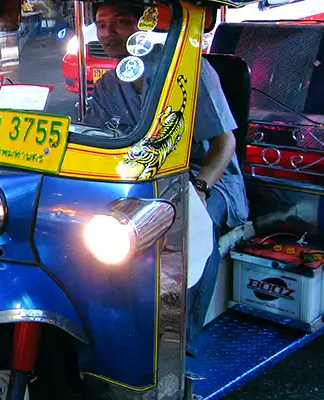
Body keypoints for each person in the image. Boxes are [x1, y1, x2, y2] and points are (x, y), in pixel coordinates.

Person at [86, 2, 249, 357]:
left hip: (207, 177)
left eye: (120, 22)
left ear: (143, 26)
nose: (108, 32)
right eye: (101, 24)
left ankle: (179, 347)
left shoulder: (191, 71)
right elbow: (97, 139)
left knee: (191, 228)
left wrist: (202, 188)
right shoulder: (110, 83)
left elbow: (225, 143)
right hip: (144, 180)